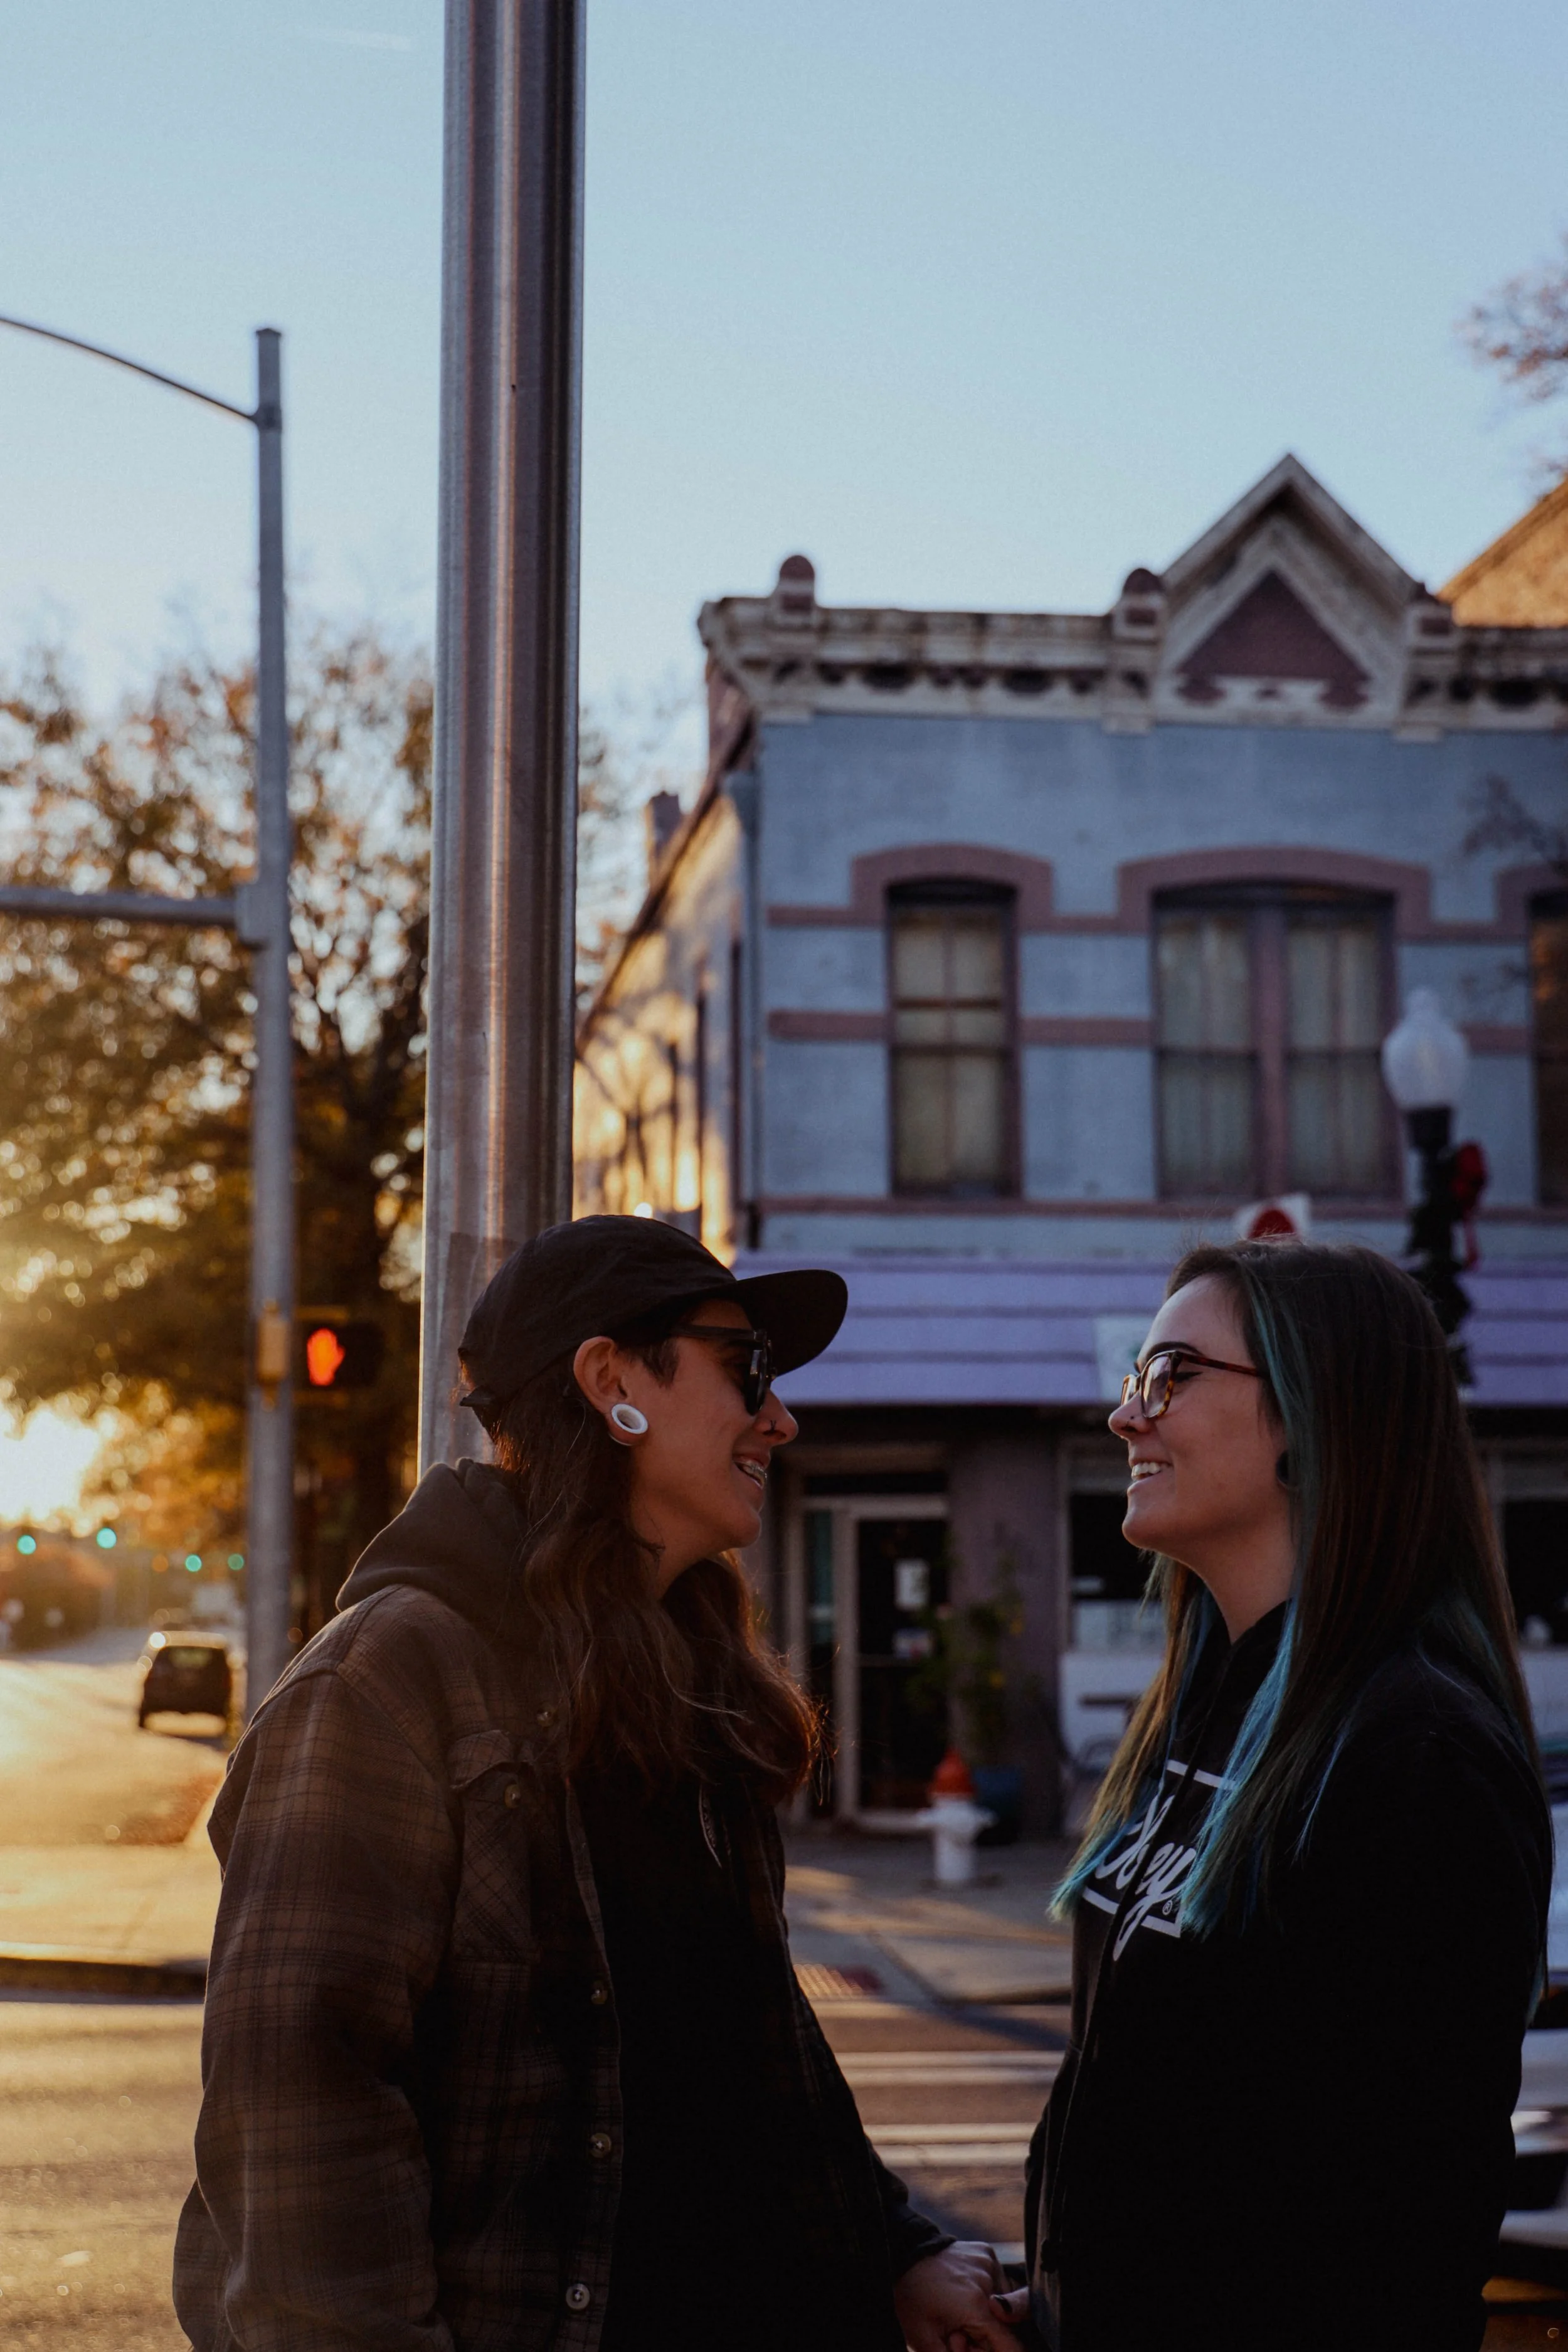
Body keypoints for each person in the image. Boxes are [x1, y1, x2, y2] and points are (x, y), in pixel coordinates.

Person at [174, 1213, 1012, 2352]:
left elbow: (749, 2046)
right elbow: (300, 2121)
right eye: (745, 1366)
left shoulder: (693, 1677)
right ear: (613, 1379)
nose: (780, 1414)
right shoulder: (389, 1681)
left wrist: (899, 2248)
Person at [990, 1239, 1551, 2352]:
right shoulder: (1204, 1703)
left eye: (1173, 1375)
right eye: (1134, 1379)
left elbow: (1395, 2228)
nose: (1127, 1416)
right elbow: (1171, 2134)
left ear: (1311, 1414)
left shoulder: (1414, 1756)